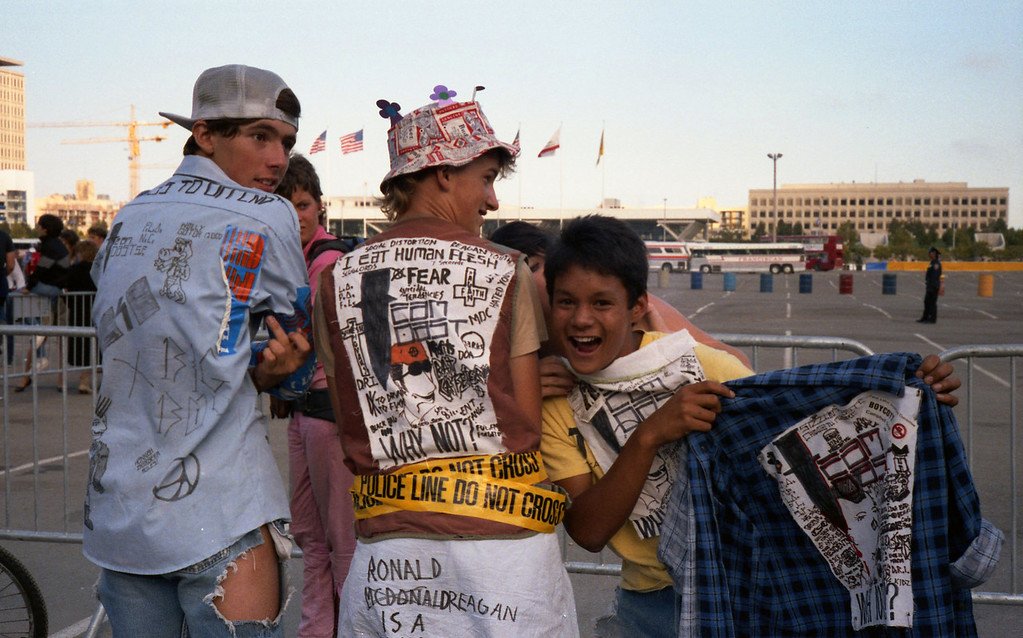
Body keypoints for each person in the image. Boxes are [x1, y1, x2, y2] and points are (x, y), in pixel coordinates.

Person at [538, 215, 962, 637]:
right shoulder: (559, 404)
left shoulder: (705, 368)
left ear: (636, 307)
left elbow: (808, 421)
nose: (581, 319)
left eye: (601, 303)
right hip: (651, 603)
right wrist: (649, 434)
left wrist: (907, 395)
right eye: (566, 302)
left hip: (740, 590)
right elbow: (589, 532)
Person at [315, 95, 578, 636]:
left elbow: (349, 416)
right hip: (501, 555)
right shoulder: (508, 270)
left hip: (389, 552)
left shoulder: (336, 280)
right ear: (439, 173)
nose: (493, 200)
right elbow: (525, 423)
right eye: (484, 179)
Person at [84, 64, 313, 636]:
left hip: (122, 511)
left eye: (285, 142)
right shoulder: (268, 214)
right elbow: (298, 354)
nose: (278, 160)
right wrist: (279, 377)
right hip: (222, 504)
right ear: (206, 135)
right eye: (259, 137)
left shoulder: (127, 216)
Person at [488, 221, 751, 400]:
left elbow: (737, 365)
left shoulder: (641, 312)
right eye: (507, 280)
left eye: (531, 268)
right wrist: (520, 388)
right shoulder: (514, 339)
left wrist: (673, 352)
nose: (521, 285)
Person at [272, 154, 356, 638]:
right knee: (310, 534)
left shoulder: (328, 261)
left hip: (328, 412)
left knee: (338, 540)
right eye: (285, 206)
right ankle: (316, 629)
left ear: (320, 207)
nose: (296, 215)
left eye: (303, 204)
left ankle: (350, 628)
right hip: (306, 412)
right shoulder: (294, 259)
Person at [59, 239, 98, 394]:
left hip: (77, 311)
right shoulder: (97, 270)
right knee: (94, 346)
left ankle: (84, 379)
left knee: (82, 346)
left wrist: (70, 302)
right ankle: (85, 380)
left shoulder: (73, 270)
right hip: (94, 310)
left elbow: (63, 288)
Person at [918, 246, 942, 324]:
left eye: (930, 253)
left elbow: (935, 275)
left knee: (932, 303)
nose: (929, 254)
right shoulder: (932, 262)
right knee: (927, 302)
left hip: (933, 286)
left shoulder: (936, 264)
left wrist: (932, 285)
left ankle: (932, 319)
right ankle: (925, 317)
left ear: (934, 254)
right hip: (930, 285)